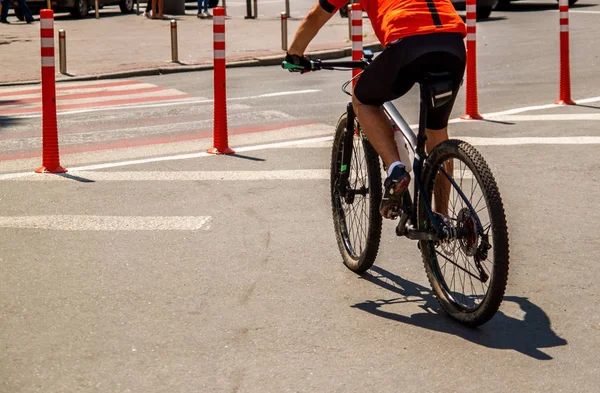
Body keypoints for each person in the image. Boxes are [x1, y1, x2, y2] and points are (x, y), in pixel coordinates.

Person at [284, 0, 466, 219]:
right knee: (437, 134)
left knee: (363, 100)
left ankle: (395, 169)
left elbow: (317, 15)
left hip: (408, 42)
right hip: (452, 44)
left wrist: (295, 53)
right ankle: (441, 219)